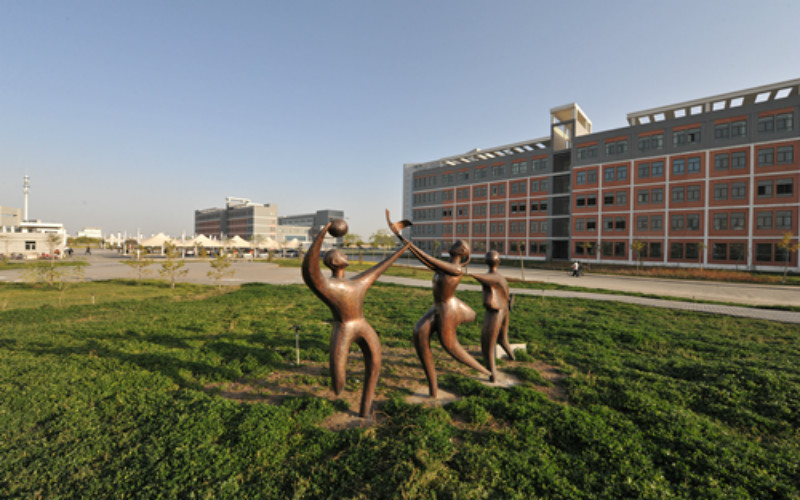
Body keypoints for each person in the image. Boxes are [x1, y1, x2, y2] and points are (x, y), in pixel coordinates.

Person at [302, 219, 410, 418]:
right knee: (338, 373)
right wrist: (323, 233)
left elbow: (380, 268)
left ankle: (365, 407)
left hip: (362, 325)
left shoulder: (357, 282)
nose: (346, 255)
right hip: (344, 328)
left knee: (375, 362)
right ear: (335, 262)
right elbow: (310, 270)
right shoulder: (328, 286)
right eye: (341, 254)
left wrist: (402, 250)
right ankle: (339, 387)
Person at [386, 210, 491, 399]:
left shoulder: (456, 268)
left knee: (451, 347)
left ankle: (486, 372)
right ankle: (433, 388)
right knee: (419, 332)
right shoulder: (444, 265)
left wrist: (407, 242)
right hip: (437, 307)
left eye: (459, 245)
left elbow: (428, 259)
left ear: (462, 253)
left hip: (447, 310)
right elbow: (425, 260)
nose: (455, 244)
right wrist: (402, 240)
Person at [471, 251, 515, 382]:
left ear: (486, 262)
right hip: (505, 310)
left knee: (487, 344)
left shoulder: (493, 278)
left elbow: (481, 278)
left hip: (495, 313)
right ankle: (512, 356)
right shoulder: (501, 277)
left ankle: (493, 374)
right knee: (502, 338)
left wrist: (467, 272)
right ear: (499, 261)